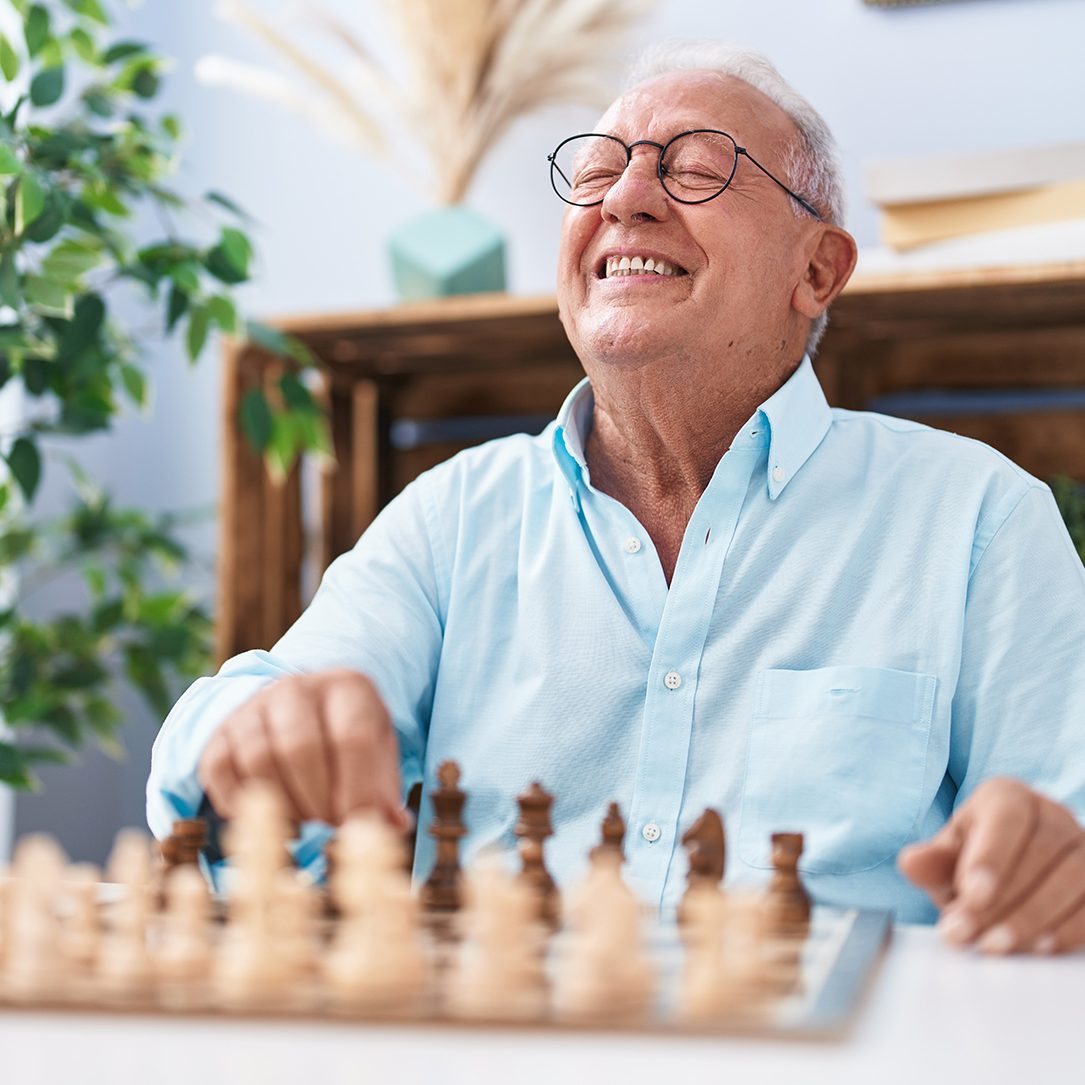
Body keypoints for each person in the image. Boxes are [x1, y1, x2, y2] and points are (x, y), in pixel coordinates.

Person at [149, 43, 1085, 954]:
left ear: (817, 271)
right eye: (595, 171)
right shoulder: (455, 515)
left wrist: (1055, 859)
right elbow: (254, 719)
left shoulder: (979, 518)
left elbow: (1063, 837)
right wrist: (252, 730)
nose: (625, 198)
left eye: (696, 170)